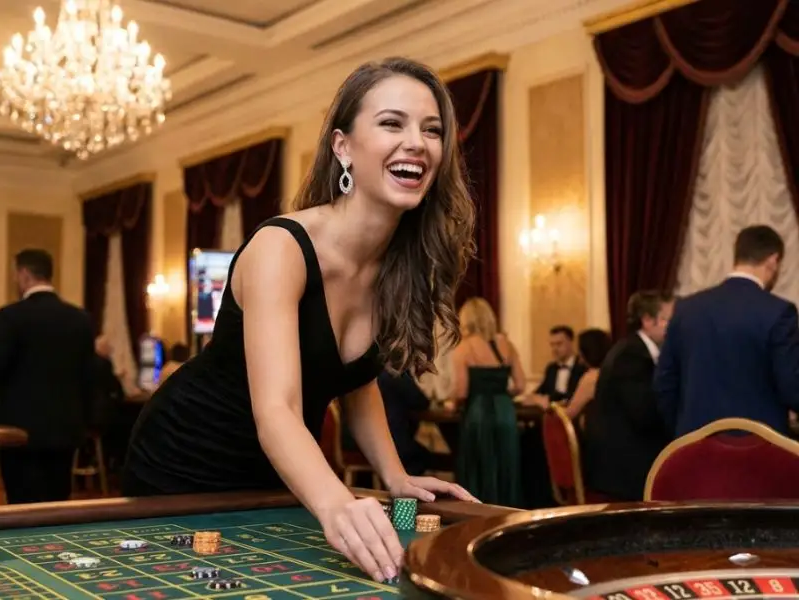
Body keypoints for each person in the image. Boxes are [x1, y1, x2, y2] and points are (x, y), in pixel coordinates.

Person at [123, 57, 478, 582]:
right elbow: (277, 408)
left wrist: (395, 475)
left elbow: (355, 381)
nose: (417, 142)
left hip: (281, 472)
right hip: (184, 463)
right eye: (391, 123)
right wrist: (337, 502)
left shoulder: (400, 265)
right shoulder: (280, 248)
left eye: (432, 130)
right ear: (343, 147)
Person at [655, 225, 799, 437]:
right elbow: (791, 387)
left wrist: (684, 431)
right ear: (773, 260)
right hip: (759, 447)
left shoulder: (687, 308)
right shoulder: (779, 312)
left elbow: (664, 383)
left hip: (695, 445)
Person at [0, 249, 95, 503]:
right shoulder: (81, 319)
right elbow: (89, 377)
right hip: (65, 430)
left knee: (22, 507)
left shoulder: (9, 317)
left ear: (23, 274)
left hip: (19, 434)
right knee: (57, 505)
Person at [581, 290, 674, 501]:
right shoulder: (631, 356)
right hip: (623, 470)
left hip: (624, 460)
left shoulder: (633, 349)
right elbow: (645, 416)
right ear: (648, 321)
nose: (674, 327)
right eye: (670, 320)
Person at [450, 297, 526, 507]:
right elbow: (520, 385)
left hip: (478, 411)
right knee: (506, 464)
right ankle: (507, 511)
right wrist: (501, 393)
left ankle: (477, 512)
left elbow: (462, 392)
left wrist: (452, 404)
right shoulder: (507, 345)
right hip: (505, 410)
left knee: (480, 465)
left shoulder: (463, 348)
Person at [562, 328, 612, 421]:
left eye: (581, 353)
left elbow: (570, 413)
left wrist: (550, 408)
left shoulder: (592, 377)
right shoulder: (621, 371)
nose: (580, 360)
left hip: (601, 433)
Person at [535, 325, 586, 402]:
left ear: (571, 342)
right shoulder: (551, 368)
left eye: (559, 344)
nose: (554, 349)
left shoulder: (582, 365)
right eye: (552, 345)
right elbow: (541, 391)